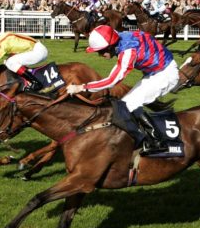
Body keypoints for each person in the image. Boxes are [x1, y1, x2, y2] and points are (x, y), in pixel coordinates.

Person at [66, 25, 179, 155]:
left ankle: (158, 142)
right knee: (124, 105)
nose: (99, 54)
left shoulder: (128, 52)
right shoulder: (122, 38)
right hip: (156, 71)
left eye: (101, 51)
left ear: (110, 46)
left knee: (130, 104)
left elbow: (112, 81)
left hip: (165, 74)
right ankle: (140, 139)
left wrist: (81, 87)